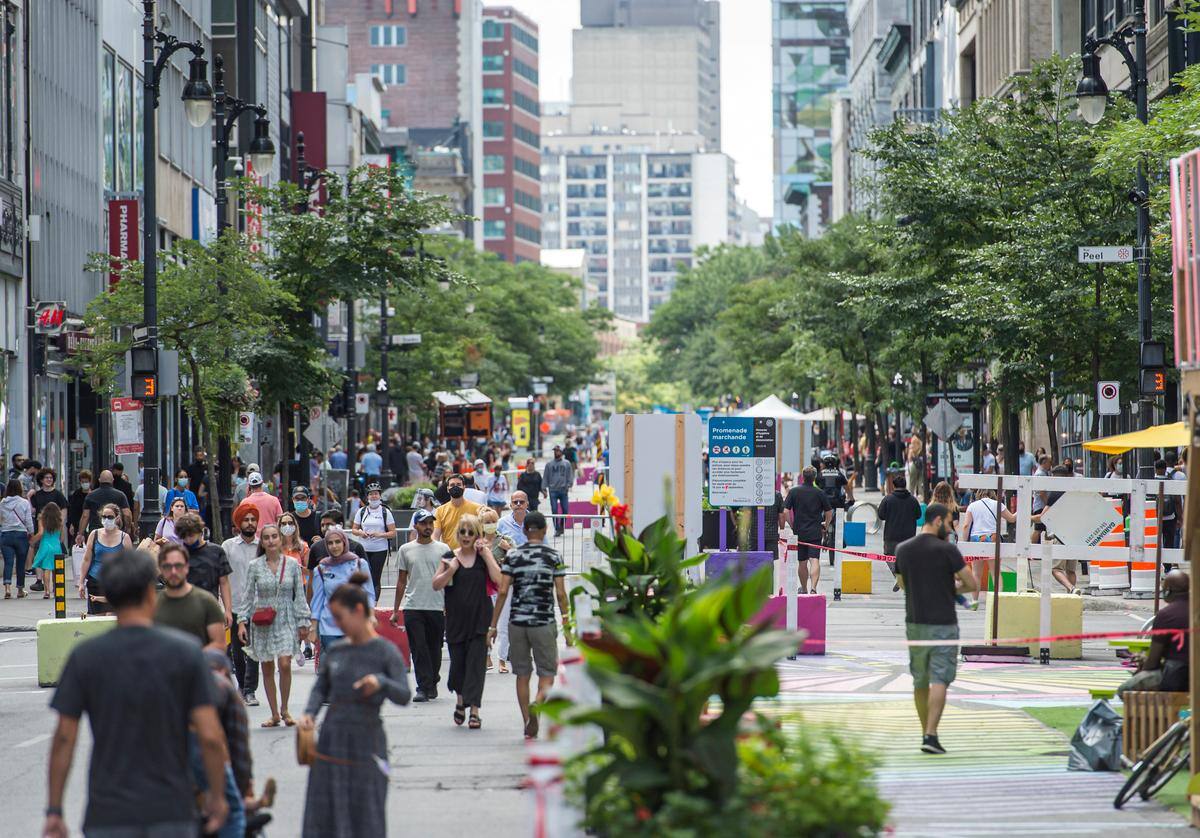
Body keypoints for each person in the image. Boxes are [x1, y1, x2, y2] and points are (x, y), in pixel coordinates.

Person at [43, 549, 229, 838]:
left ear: (109, 596)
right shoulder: (186, 653)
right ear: (150, 593)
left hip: (108, 813)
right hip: (171, 809)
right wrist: (217, 796)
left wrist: (54, 811)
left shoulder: (86, 657)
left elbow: (65, 737)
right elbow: (210, 735)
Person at [299, 571, 410, 838]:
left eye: (339, 617)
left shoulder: (384, 651)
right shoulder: (336, 651)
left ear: (359, 611)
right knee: (326, 810)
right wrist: (309, 714)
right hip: (331, 738)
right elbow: (320, 689)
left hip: (367, 740)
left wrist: (381, 682)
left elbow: (404, 694)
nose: (336, 624)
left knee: (366, 811)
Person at [894, 502, 979, 754]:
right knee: (940, 678)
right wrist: (950, 589)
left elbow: (903, 584)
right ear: (938, 520)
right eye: (950, 520)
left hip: (915, 623)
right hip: (944, 624)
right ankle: (931, 734)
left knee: (920, 681)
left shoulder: (903, 549)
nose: (952, 526)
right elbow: (971, 582)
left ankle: (924, 733)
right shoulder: (948, 551)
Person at [489, 511, 571, 740]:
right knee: (547, 674)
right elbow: (562, 595)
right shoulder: (554, 556)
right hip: (544, 622)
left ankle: (527, 720)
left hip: (518, 623)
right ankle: (538, 704)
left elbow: (503, 590)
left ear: (525, 531)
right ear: (545, 531)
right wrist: (568, 626)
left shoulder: (514, 556)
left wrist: (492, 626)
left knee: (522, 674)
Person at [433, 514, 501, 729]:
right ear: (458, 534)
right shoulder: (448, 556)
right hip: (455, 621)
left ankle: (474, 711)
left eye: (471, 532)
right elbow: (436, 584)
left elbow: (499, 580)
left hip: (480, 620)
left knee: (476, 667)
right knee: (458, 666)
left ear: (477, 535)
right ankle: (460, 701)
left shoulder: (483, 557)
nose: (466, 536)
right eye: (463, 531)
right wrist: (451, 569)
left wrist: (487, 553)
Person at [238, 524, 311, 727]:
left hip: (286, 617)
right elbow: (247, 596)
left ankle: (285, 709)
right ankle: (274, 714)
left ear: (281, 539)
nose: (271, 541)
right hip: (263, 618)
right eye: (267, 537)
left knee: (285, 663)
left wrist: (304, 621)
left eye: (274, 537)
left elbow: (300, 596)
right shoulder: (255, 566)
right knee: (267, 666)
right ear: (262, 542)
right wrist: (242, 621)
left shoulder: (292, 565)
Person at [390, 508, 450, 701]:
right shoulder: (406, 549)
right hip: (413, 605)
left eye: (430, 523)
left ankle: (432, 679)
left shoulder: (443, 549)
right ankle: (422, 687)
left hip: (436, 605)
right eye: (424, 523)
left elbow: (449, 580)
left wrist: (450, 606)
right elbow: (401, 581)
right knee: (419, 647)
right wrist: (395, 610)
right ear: (415, 526)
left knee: (434, 647)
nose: (428, 527)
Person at [1118, 570, 1190, 695]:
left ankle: (1148, 714)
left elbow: (1153, 662)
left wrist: (1142, 666)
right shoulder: (1195, 610)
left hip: (1176, 678)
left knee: (1124, 690)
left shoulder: (1166, 615)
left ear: (1169, 590)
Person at [308, 526, 375, 654]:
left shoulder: (359, 564)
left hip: (355, 623)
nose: (334, 546)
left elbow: (369, 594)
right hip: (328, 626)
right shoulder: (321, 569)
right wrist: (313, 626)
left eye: (338, 542)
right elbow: (317, 600)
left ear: (344, 542)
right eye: (330, 543)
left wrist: (370, 616)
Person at [223, 503, 262, 705]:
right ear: (239, 523)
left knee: (253, 651)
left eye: (253, 519)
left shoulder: (262, 546)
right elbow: (223, 578)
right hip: (236, 606)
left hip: (257, 607)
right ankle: (241, 685)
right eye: (246, 520)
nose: (250, 523)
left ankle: (249, 690)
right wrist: (226, 608)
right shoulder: (228, 546)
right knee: (237, 652)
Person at [154, 543, 226, 649]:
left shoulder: (207, 602)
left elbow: (220, 644)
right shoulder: (152, 606)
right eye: (168, 566)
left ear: (187, 567)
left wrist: (193, 656)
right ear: (161, 569)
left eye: (178, 565)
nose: (173, 572)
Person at [176, 512, 234, 627]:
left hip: (210, 609)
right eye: (184, 536)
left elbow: (224, 582)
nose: (188, 540)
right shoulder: (179, 553)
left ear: (200, 532)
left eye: (191, 535)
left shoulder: (216, 552)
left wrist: (228, 610)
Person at [960, 488, 1017, 604]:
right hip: (993, 538)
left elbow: (966, 526)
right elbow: (1012, 518)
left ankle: (974, 601)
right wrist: (1021, 509)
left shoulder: (972, 506)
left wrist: (965, 541)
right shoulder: (998, 505)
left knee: (976, 573)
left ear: (978, 494)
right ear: (992, 493)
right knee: (995, 572)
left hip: (976, 539)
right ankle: (997, 600)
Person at [783, 466, 832, 595]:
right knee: (814, 559)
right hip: (815, 531)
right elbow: (829, 512)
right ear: (814, 477)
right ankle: (814, 588)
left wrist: (792, 524)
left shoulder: (794, 492)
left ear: (803, 477)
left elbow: (785, 511)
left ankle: (804, 588)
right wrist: (825, 525)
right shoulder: (820, 493)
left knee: (802, 561)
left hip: (799, 531)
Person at [77, 503, 133, 614]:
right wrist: (81, 582)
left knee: (112, 617)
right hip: (95, 581)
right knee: (98, 619)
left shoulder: (124, 538)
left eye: (110, 517)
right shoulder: (95, 534)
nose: (106, 520)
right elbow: (87, 559)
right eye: (104, 517)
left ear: (117, 518)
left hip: (116, 583)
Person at [349, 482, 397, 595]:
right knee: (364, 577)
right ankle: (365, 601)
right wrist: (361, 533)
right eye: (371, 494)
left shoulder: (386, 512)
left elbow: (393, 532)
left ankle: (374, 604)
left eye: (376, 494)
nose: (374, 496)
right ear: (367, 497)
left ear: (380, 496)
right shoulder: (361, 511)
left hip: (380, 549)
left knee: (375, 577)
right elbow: (354, 529)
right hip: (364, 549)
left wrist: (379, 534)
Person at [878, 475, 923, 592]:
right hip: (909, 535)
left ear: (893, 486)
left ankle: (898, 576)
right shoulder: (913, 500)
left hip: (891, 535)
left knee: (889, 557)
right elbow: (919, 515)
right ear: (905, 485)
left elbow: (881, 515)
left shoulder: (888, 499)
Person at [76, 470, 132, 543]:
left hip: (95, 533)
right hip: (115, 532)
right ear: (112, 480)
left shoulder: (90, 496)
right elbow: (127, 514)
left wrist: (80, 533)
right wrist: (128, 528)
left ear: (99, 480)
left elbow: (85, 516)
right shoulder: (120, 495)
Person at [0, 478, 33, 599]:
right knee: (20, 563)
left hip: (6, 535)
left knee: (8, 562)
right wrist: (31, 532)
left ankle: (7, 588)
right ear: (20, 488)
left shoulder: (2, 503)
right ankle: (20, 589)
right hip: (21, 535)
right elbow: (28, 520)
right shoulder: (24, 502)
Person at [28, 501, 68, 600]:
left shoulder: (42, 519)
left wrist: (32, 540)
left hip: (45, 545)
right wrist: (59, 543)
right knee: (56, 569)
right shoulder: (59, 520)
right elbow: (62, 536)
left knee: (46, 568)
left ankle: (46, 591)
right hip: (56, 545)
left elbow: (41, 533)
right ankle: (55, 589)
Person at [433, 473, 482, 550]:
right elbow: (435, 535)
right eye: (452, 485)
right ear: (447, 489)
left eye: (458, 484)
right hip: (449, 555)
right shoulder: (440, 511)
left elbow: (482, 533)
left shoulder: (477, 508)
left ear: (464, 488)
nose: (455, 487)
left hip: (471, 553)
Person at [543, 446, 575, 537]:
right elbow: (546, 476)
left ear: (561, 452)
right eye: (555, 451)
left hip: (563, 490)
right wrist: (544, 488)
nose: (556, 452)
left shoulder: (566, 463)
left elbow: (570, 475)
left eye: (558, 451)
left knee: (565, 510)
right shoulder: (549, 464)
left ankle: (562, 526)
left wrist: (569, 484)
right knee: (554, 510)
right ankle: (556, 528)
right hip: (553, 490)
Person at [66, 470, 91, 543]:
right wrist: (71, 524)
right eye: (83, 482)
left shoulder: (93, 494)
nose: (84, 484)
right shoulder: (76, 494)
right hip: (77, 524)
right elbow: (72, 510)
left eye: (86, 482)